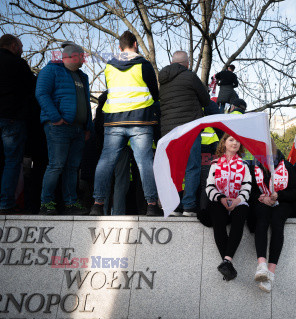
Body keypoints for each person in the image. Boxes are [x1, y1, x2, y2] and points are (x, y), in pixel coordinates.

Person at [90, 31, 160, 216]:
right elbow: (154, 92)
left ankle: (97, 204)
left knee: (106, 161)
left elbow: (110, 90)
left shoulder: (109, 66)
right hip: (141, 119)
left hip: (114, 120)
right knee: (145, 162)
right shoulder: (144, 64)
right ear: (135, 45)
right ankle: (152, 205)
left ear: (119, 48)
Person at [36, 41, 93, 215]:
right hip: (58, 128)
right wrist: (56, 118)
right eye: (82, 58)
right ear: (73, 56)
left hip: (78, 130)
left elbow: (86, 103)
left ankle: (70, 203)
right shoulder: (51, 70)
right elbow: (41, 94)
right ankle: (46, 203)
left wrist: (87, 127)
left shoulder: (82, 77)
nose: (84, 61)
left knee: (72, 167)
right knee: (56, 165)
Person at [158, 50, 210, 217]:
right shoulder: (190, 76)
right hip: (189, 129)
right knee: (192, 167)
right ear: (187, 63)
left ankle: (173, 206)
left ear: (172, 63)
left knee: (173, 168)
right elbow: (205, 100)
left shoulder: (163, 80)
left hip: (169, 131)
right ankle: (188, 206)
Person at [251, 140, 296, 292]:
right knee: (262, 220)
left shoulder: (287, 166)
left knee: (277, 224)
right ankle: (261, 265)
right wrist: (262, 197)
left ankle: (270, 274)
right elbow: (251, 191)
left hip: (282, 203)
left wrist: (278, 195)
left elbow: (294, 193)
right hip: (263, 202)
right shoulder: (254, 167)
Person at [205, 134, 251, 281]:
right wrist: (222, 199)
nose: (235, 143)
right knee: (217, 218)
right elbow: (210, 187)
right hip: (219, 201)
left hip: (238, 202)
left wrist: (237, 200)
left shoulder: (244, 165)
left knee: (240, 216)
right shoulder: (215, 163)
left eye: (238, 140)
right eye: (231, 139)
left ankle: (226, 263)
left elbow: (247, 187)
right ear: (224, 143)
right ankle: (227, 264)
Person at [0, 34, 36, 214]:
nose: (22, 50)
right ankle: (6, 203)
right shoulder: (17, 64)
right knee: (12, 162)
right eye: (21, 46)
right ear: (13, 45)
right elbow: (32, 87)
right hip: (12, 118)